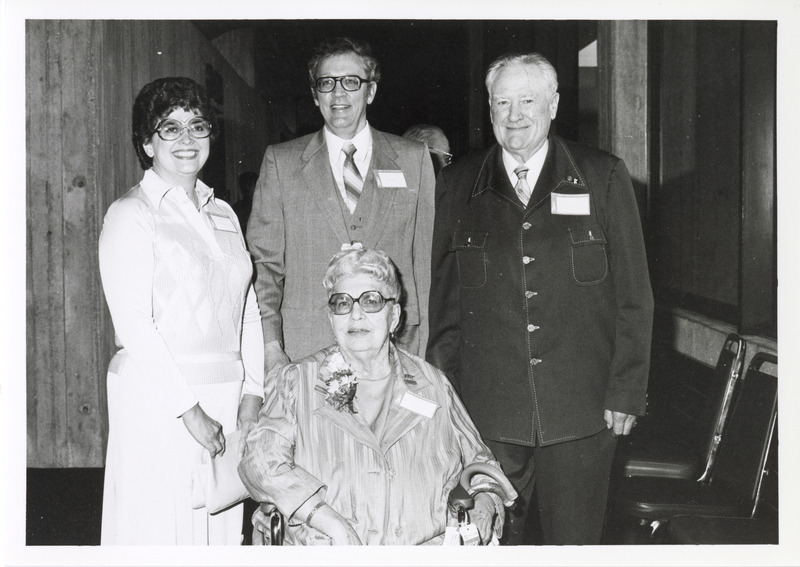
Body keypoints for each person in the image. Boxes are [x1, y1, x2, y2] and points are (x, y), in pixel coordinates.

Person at [426, 53, 654, 545]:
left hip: (584, 411)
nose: (514, 114)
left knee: (575, 543)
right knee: (490, 546)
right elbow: (443, 308)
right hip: (488, 417)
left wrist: (627, 391)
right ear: (489, 109)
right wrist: (444, 405)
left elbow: (636, 298)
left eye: (527, 100)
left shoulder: (603, 176)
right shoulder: (457, 184)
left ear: (553, 104)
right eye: (502, 102)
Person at [239, 247, 510, 545]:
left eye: (371, 301)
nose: (355, 314)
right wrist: (330, 522)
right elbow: (259, 461)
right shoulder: (298, 381)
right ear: (331, 319)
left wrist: (485, 499)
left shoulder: (432, 384)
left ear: (393, 316)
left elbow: (482, 462)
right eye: (342, 303)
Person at [98, 77, 264, 545]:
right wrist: (189, 411)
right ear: (146, 143)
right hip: (162, 402)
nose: (187, 139)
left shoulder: (224, 213)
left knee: (217, 531)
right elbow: (134, 326)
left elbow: (246, 309)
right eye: (169, 128)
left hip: (226, 399)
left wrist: (252, 394)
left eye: (197, 125)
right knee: (158, 531)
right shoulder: (130, 213)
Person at [246, 37, 435, 381]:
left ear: (371, 91)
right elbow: (264, 268)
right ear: (315, 94)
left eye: (351, 82)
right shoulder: (281, 162)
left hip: (391, 355)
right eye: (327, 83)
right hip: (303, 356)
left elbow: (423, 267)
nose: (338, 94)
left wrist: (414, 356)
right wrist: (271, 349)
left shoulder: (413, 159)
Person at [233, 171, 258, 237]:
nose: (246, 187)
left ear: (256, 186)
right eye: (244, 184)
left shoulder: (259, 206)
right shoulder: (236, 207)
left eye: (250, 184)